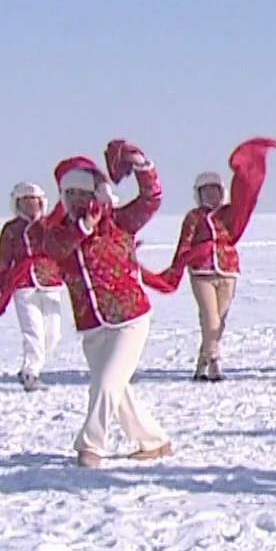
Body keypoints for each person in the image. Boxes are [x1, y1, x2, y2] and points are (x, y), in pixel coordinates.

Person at [43, 145, 172, 468]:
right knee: (118, 391)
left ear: (96, 194)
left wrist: (143, 166)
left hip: (129, 317)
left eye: (81, 193)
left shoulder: (120, 222)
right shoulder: (56, 233)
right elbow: (56, 250)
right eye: (68, 193)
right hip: (92, 325)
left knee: (105, 385)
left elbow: (151, 199)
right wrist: (82, 229)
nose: (74, 200)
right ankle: (154, 441)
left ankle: (90, 446)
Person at [0, 182, 66, 390]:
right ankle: (30, 373)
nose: (31, 205)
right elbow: (2, 259)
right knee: (33, 331)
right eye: (26, 201)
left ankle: (32, 369)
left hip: (51, 283)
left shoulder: (51, 225)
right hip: (23, 284)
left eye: (35, 200)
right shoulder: (11, 229)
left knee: (53, 334)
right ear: (18, 204)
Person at [171, 171, 242, 382]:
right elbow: (184, 244)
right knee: (210, 318)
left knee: (218, 321)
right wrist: (176, 268)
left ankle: (202, 362)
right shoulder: (194, 217)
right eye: (206, 191)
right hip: (202, 272)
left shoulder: (230, 213)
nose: (211, 195)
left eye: (215, 190)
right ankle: (214, 360)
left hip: (227, 270)